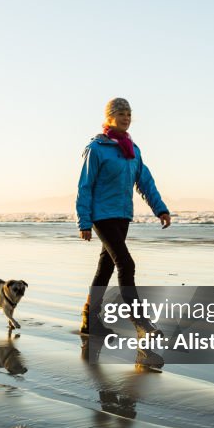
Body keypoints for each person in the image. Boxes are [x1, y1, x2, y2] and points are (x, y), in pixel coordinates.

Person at [76, 97, 171, 336]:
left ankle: (90, 319)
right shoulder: (96, 149)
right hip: (101, 216)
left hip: (122, 216)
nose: (126, 118)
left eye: (129, 114)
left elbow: (145, 182)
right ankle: (140, 322)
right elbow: (85, 186)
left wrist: (160, 208)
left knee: (106, 267)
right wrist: (84, 221)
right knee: (126, 263)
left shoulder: (133, 150)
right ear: (110, 118)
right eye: (121, 114)